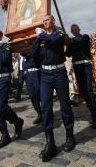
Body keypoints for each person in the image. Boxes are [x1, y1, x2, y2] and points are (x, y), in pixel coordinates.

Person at [32, 15, 75, 162]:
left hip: (59, 72)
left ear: (53, 21)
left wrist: (40, 35)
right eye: (43, 21)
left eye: (47, 20)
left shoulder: (59, 33)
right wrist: (38, 39)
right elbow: (33, 53)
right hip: (45, 74)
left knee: (65, 106)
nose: (45, 22)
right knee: (45, 108)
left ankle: (70, 136)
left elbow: (54, 41)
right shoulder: (41, 37)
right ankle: (50, 142)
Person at [65, 24, 96, 128]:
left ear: (79, 29)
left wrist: (71, 41)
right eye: (72, 30)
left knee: (88, 90)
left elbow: (80, 43)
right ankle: (91, 109)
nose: (74, 31)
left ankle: (94, 115)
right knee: (83, 91)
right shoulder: (71, 41)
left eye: (75, 29)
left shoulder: (84, 36)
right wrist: (68, 43)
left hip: (85, 65)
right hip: (77, 67)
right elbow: (68, 54)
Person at [22, 47, 42, 125]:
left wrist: (30, 50)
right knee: (32, 95)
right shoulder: (25, 52)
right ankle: (39, 113)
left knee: (40, 93)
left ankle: (47, 112)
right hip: (28, 74)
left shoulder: (36, 45)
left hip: (37, 72)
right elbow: (22, 52)